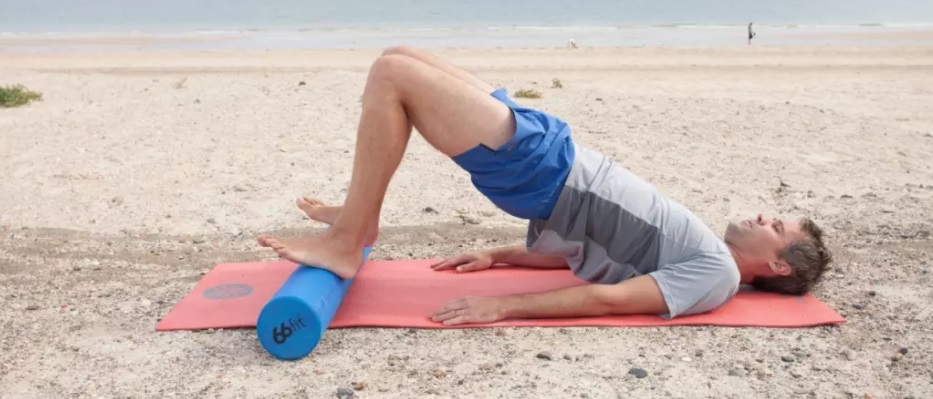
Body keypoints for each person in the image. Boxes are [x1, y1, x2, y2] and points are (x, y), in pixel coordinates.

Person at [257, 46, 832, 325]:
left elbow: (607, 298)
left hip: (547, 173)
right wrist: (498, 253)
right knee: (398, 55)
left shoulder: (716, 277)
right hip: (556, 153)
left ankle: (352, 233)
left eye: (776, 227)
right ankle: (358, 216)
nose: (763, 217)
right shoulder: (703, 255)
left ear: (779, 266)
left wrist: (503, 306)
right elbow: (598, 260)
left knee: (392, 77)